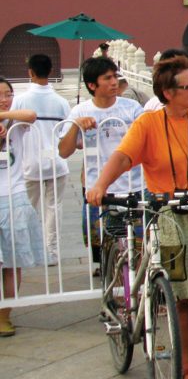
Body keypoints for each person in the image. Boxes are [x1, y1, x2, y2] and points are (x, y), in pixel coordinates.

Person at [86, 56, 188, 379]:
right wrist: (101, 185)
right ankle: (187, 368)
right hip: (168, 216)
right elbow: (124, 157)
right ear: (168, 93)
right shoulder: (149, 124)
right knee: (181, 298)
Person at [58, 57, 145, 274]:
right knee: (108, 245)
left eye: (115, 76)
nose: (114, 82)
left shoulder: (132, 108)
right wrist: (75, 126)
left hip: (134, 185)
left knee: (140, 243)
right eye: (107, 78)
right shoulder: (80, 111)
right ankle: (113, 289)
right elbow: (64, 150)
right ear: (92, 85)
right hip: (100, 190)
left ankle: (138, 292)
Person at [12, 54, 70, 265]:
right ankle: (51, 253)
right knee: (54, 209)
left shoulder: (20, 100)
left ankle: (30, 252)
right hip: (57, 163)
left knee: (29, 210)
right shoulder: (62, 102)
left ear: (31, 72)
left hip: (30, 163)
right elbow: (66, 132)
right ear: (50, 70)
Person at [0, 77, 42, 337]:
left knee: (12, 263)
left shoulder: (15, 122)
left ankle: (4, 316)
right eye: (0, 95)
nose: (5, 98)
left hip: (12, 197)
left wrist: (2, 115)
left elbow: (31, 114)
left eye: (8, 93)